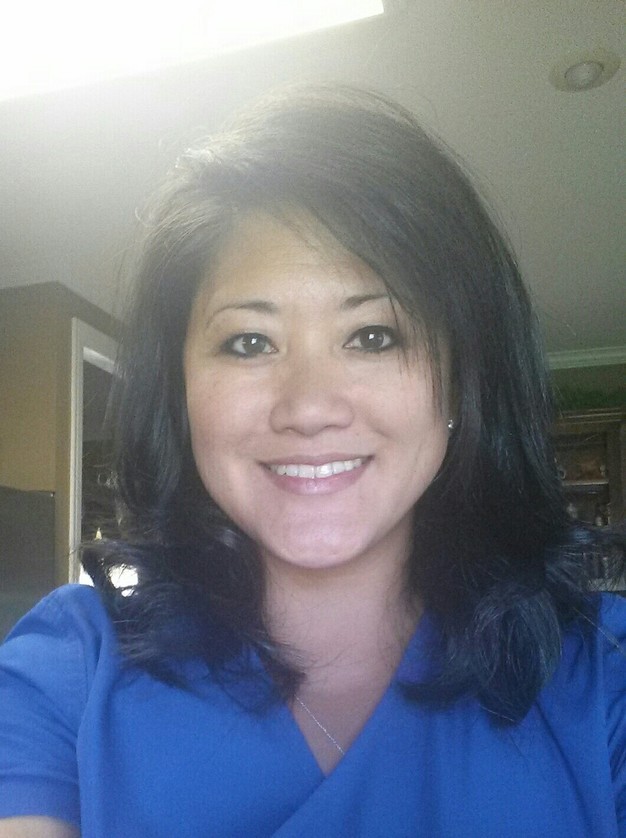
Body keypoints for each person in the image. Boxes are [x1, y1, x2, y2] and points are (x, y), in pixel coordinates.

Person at [0, 85, 624, 838]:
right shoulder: (68, 670)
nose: (308, 406)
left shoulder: (604, 674)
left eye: (372, 337)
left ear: (464, 377)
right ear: (180, 390)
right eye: (249, 342)